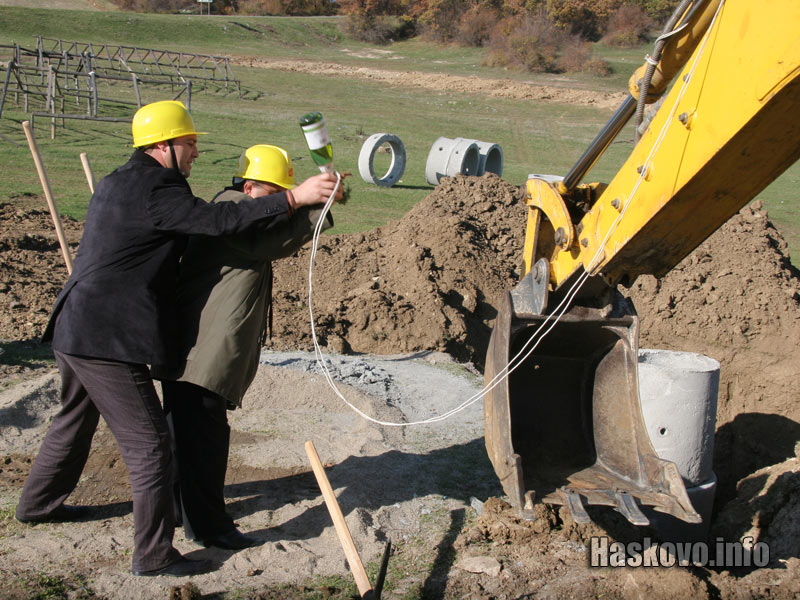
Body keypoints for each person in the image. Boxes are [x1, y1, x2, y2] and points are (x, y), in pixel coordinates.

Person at [14, 101, 340, 577]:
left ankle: (37, 505)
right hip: (108, 334)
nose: (195, 154)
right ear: (163, 145)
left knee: (72, 421)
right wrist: (295, 199)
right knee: (151, 446)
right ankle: (153, 554)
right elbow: (221, 221)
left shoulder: (118, 181)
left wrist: (308, 202)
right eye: (190, 144)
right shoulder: (157, 187)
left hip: (77, 324)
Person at [152, 144, 337, 550]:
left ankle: (178, 512)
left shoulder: (235, 208)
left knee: (184, 439)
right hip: (202, 353)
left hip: (194, 351)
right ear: (248, 186)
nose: (277, 204)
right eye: (274, 194)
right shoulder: (233, 212)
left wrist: (316, 202)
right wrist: (310, 207)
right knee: (205, 442)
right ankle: (211, 528)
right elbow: (271, 243)